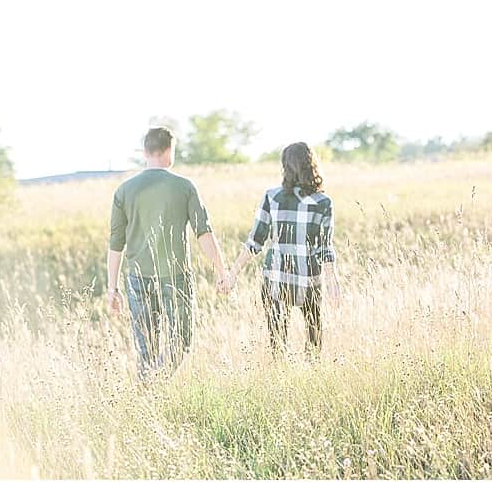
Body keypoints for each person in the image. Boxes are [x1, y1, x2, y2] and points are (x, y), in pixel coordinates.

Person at [107, 126, 235, 378]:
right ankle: (159, 382)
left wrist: (113, 288)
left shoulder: (124, 190)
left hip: (137, 277)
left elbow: (115, 243)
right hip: (175, 276)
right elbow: (204, 233)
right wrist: (221, 272)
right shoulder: (185, 186)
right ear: (170, 152)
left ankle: (150, 389)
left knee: (147, 350)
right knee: (182, 342)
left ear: (145, 152)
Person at [230, 142, 341, 358]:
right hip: (309, 280)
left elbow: (255, 241)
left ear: (286, 167)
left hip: (275, 279)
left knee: (278, 346)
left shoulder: (272, 197)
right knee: (314, 343)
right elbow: (324, 247)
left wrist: (233, 273)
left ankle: (282, 383)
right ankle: (312, 383)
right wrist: (333, 281)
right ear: (312, 165)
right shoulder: (323, 202)